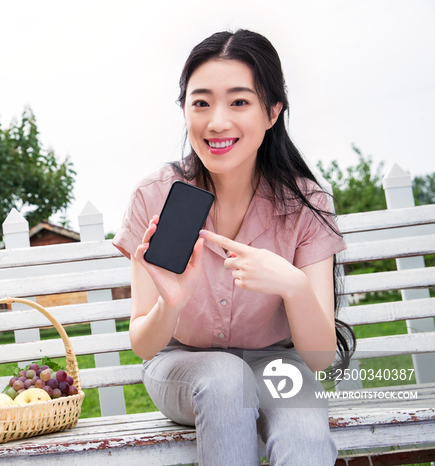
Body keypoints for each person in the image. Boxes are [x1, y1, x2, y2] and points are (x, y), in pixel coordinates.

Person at [112, 29, 355, 465]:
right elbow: (145, 346)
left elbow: (318, 358)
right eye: (200, 102)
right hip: (182, 365)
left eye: (239, 102)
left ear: (273, 111)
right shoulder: (155, 196)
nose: (216, 121)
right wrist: (171, 305)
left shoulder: (306, 204)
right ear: (184, 109)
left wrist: (294, 287)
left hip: (277, 363)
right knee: (225, 377)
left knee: (304, 435)